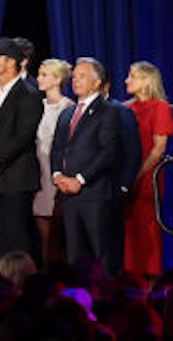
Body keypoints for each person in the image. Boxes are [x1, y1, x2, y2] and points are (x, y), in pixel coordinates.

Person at [0, 36, 44, 264]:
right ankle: (2, 286)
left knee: (17, 239)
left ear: (11, 62)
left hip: (16, 178)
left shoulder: (29, 94)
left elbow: (22, 137)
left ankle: (23, 287)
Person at [52, 57, 123, 271]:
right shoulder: (67, 113)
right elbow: (57, 148)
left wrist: (80, 179)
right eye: (74, 76)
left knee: (100, 254)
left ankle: (105, 301)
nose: (76, 80)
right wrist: (57, 175)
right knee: (75, 256)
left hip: (94, 195)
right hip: (68, 195)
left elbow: (107, 153)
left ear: (97, 82)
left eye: (82, 76)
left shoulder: (108, 111)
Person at [123, 61, 173, 276]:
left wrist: (136, 175)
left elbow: (158, 149)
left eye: (133, 76)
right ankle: (128, 281)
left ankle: (149, 283)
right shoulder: (124, 109)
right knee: (127, 232)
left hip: (146, 178)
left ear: (146, 81)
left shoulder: (160, 108)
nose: (127, 80)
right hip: (125, 178)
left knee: (147, 231)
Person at [32, 58, 75, 265]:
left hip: (57, 170)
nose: (39, 79)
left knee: (57, 229)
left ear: (57, 79)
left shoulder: (68, 107)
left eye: (44, 75)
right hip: (37, 169)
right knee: (40, 227)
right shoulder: (36, 106)